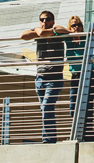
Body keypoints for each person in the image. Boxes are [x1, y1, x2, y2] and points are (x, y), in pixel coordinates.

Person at [21, 10, 69, 143]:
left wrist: (42, 32)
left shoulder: (57, 30)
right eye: (41, 19)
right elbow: (23, 35)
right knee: (44, 108)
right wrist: (37, 30)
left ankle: (48, 140)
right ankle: (48, 138)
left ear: (53, 21)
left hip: (54, 77)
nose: (44, 22)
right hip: (39, 77)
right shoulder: (38, 30)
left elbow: (61, 30)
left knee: (47, 106)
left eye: (47, 19)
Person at [63, 18, 94, 142]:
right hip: (75, 76)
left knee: (87, 105)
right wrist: (70, 32)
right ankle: (83, 132)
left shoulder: (86, 36)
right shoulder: (68, 38)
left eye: (78, 25)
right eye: (73, 26)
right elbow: (56, 29)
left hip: (89, 75)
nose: (76, 27)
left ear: (82, 27)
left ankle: (85, 134)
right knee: (73, 106)